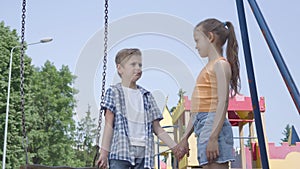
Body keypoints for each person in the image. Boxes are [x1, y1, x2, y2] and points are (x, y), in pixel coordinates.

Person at [96, 48, 186, 169]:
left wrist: (175, 147)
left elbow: (157, 128)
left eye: (140, 65)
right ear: (120, 68)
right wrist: (104, 152)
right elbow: (108, 125)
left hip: (144, 153)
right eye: (133, 64)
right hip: (121, 152)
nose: (138, 68)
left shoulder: (146, 96)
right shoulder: (114, 93)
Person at [177, 18, 240, 169]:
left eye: (198, 40)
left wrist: (213, 137)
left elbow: (223, 102)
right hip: (203, 124)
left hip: (213, 125)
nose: (196, 45)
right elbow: (197, 110)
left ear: (210, 37)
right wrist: (185, 138)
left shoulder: (221, 65)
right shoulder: (208, 68)